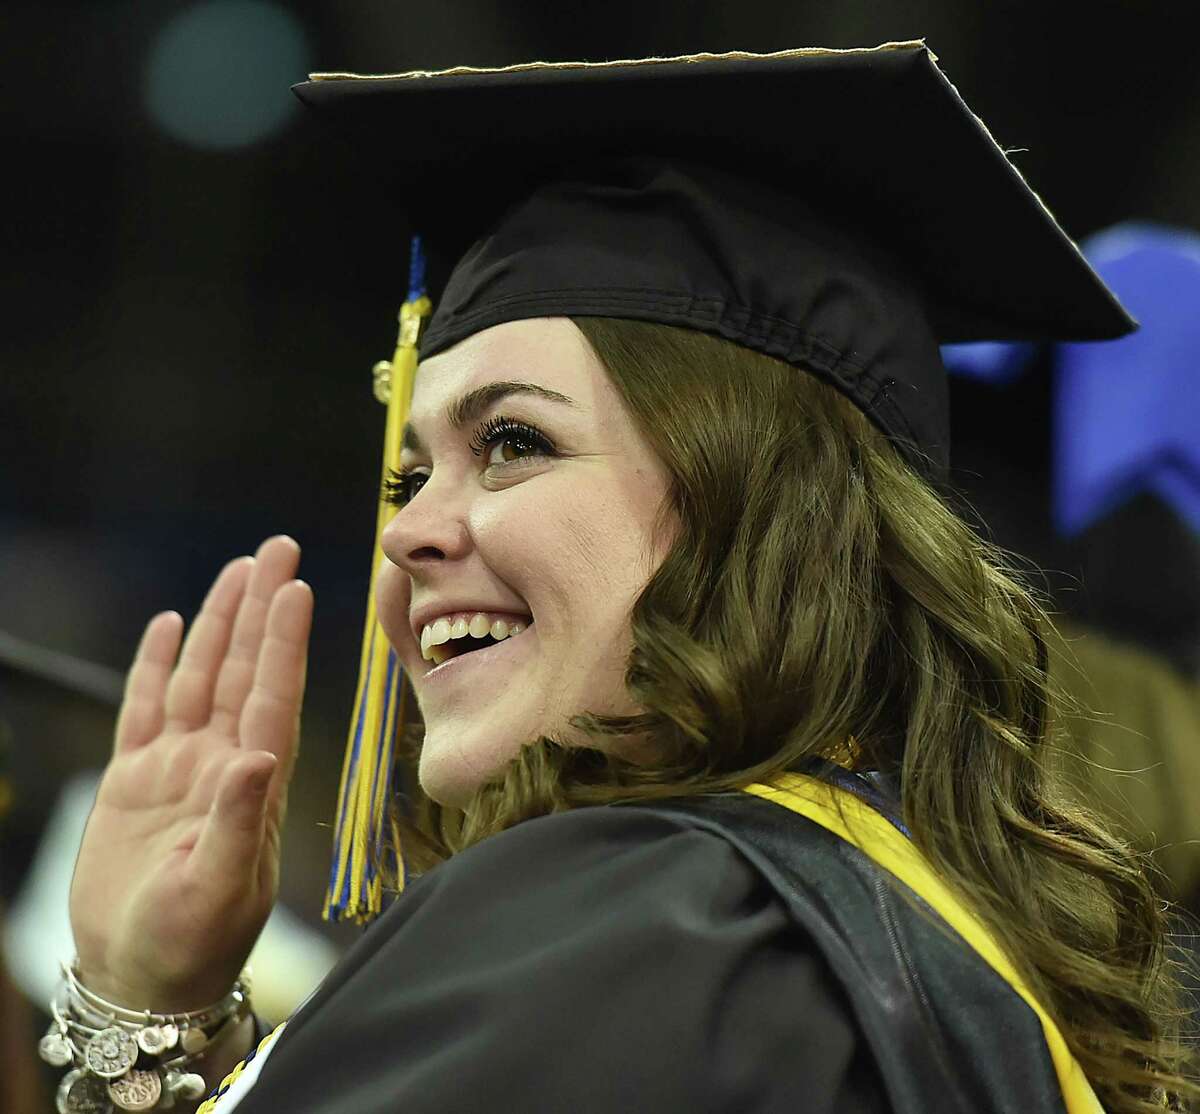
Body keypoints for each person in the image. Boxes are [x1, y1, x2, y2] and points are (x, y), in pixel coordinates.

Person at [56, 43, 1198, 1114]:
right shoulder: (914, 935)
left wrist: (132, 1021)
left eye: (511, 441)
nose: (406, 536)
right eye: (410, 478)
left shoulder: (640, 920)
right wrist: (152, 1011)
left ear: (750, 503)